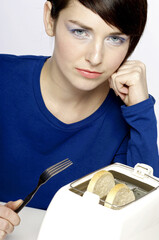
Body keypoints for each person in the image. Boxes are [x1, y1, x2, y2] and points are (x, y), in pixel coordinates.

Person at [0, 0, 158, 238]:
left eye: (116, 38)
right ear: (49, 19)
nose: (95, 57)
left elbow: (142, 223)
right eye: (80, 32)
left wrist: (141, 113)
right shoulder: (4, 78)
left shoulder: (130, 112)